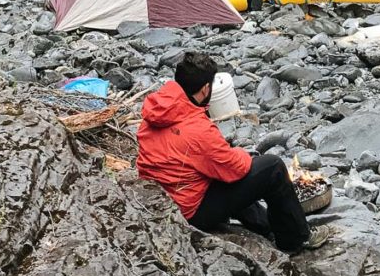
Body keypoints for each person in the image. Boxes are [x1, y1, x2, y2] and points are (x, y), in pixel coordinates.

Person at [136, 52, 330, 253]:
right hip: (189, 211)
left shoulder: (158, 109)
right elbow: (235, 169)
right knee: (272, 167)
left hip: (162, 196)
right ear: (205, 89)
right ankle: (297, 239)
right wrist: (242, 154)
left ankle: (265, 226)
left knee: (222, 169)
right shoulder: (197, 129)